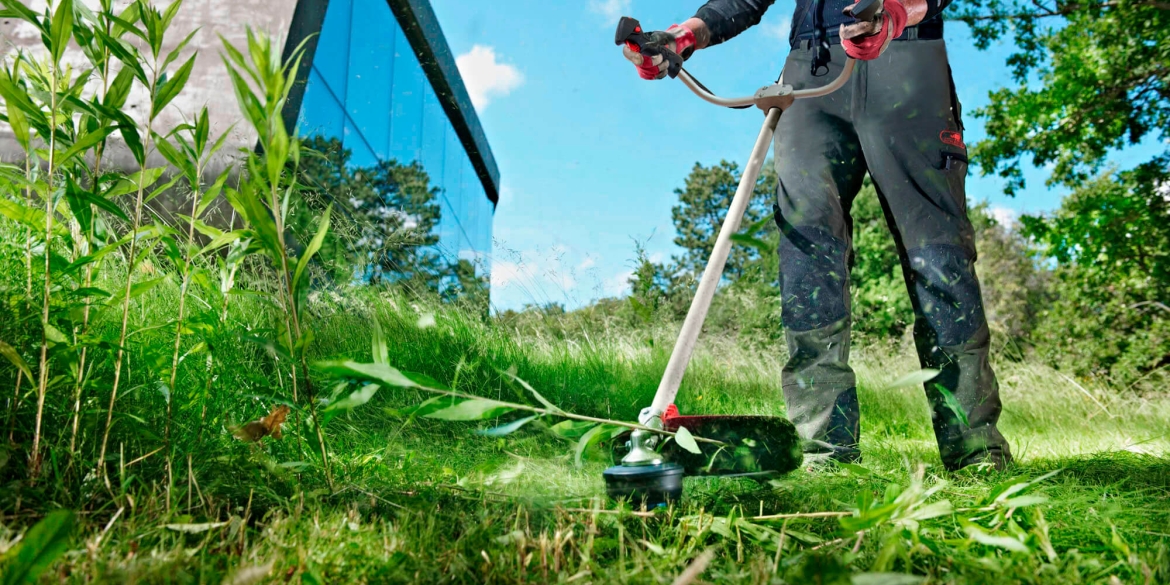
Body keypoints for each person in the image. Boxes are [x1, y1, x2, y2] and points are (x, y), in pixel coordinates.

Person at [620, 0, 1012, 471]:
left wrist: (897, 12)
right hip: (811, 71)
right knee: (806, 258)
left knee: (938, 258)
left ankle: (975, 450)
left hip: (906, 59)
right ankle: (824, 449)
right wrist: (683, 35)